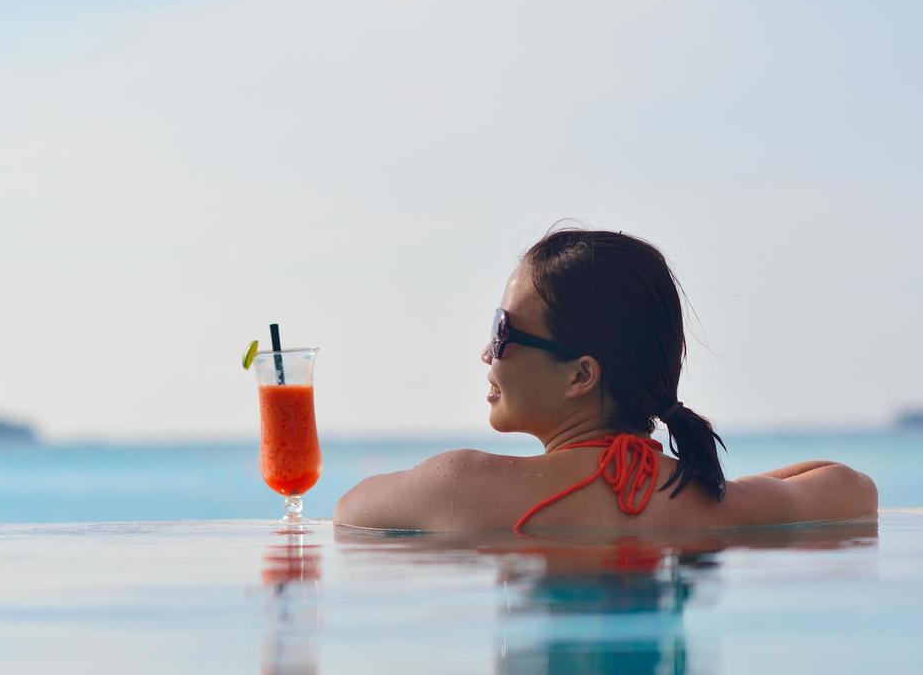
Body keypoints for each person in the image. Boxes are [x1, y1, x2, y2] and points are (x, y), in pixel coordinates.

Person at [334, 228, 878, 533]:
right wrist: (706, 484)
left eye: (502, 332)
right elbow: (853, 486)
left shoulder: (459, 485)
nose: (486, 354)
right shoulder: (714, 508)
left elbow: (348, 511)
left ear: (581, 375)